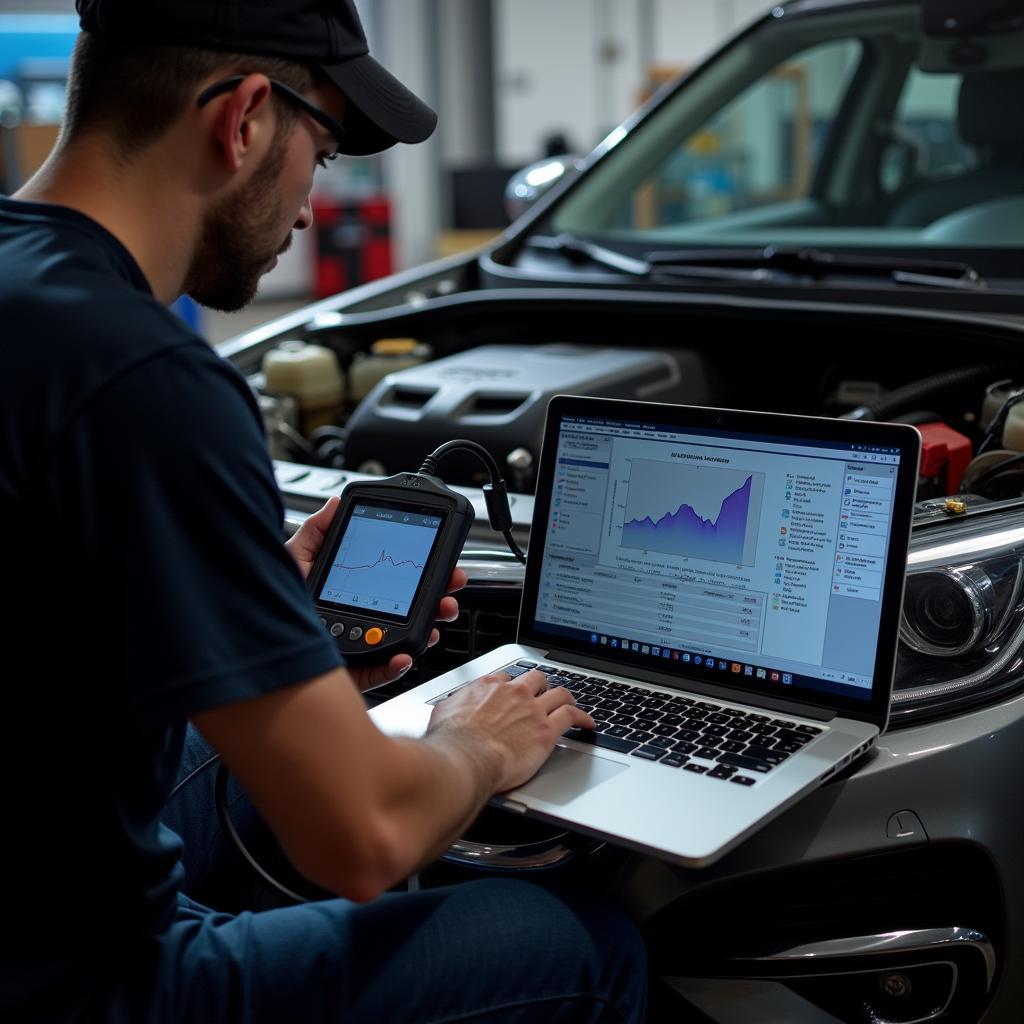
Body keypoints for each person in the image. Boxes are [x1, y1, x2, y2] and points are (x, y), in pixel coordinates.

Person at [0, 1, 648, 1021]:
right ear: (245, 118)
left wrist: (255, 629)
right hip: (76, 981)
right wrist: (478, 740)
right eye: (326, 149)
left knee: (241, 767)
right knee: (580, 941)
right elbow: (363, 841)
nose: (310, 198)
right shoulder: (146, 380)